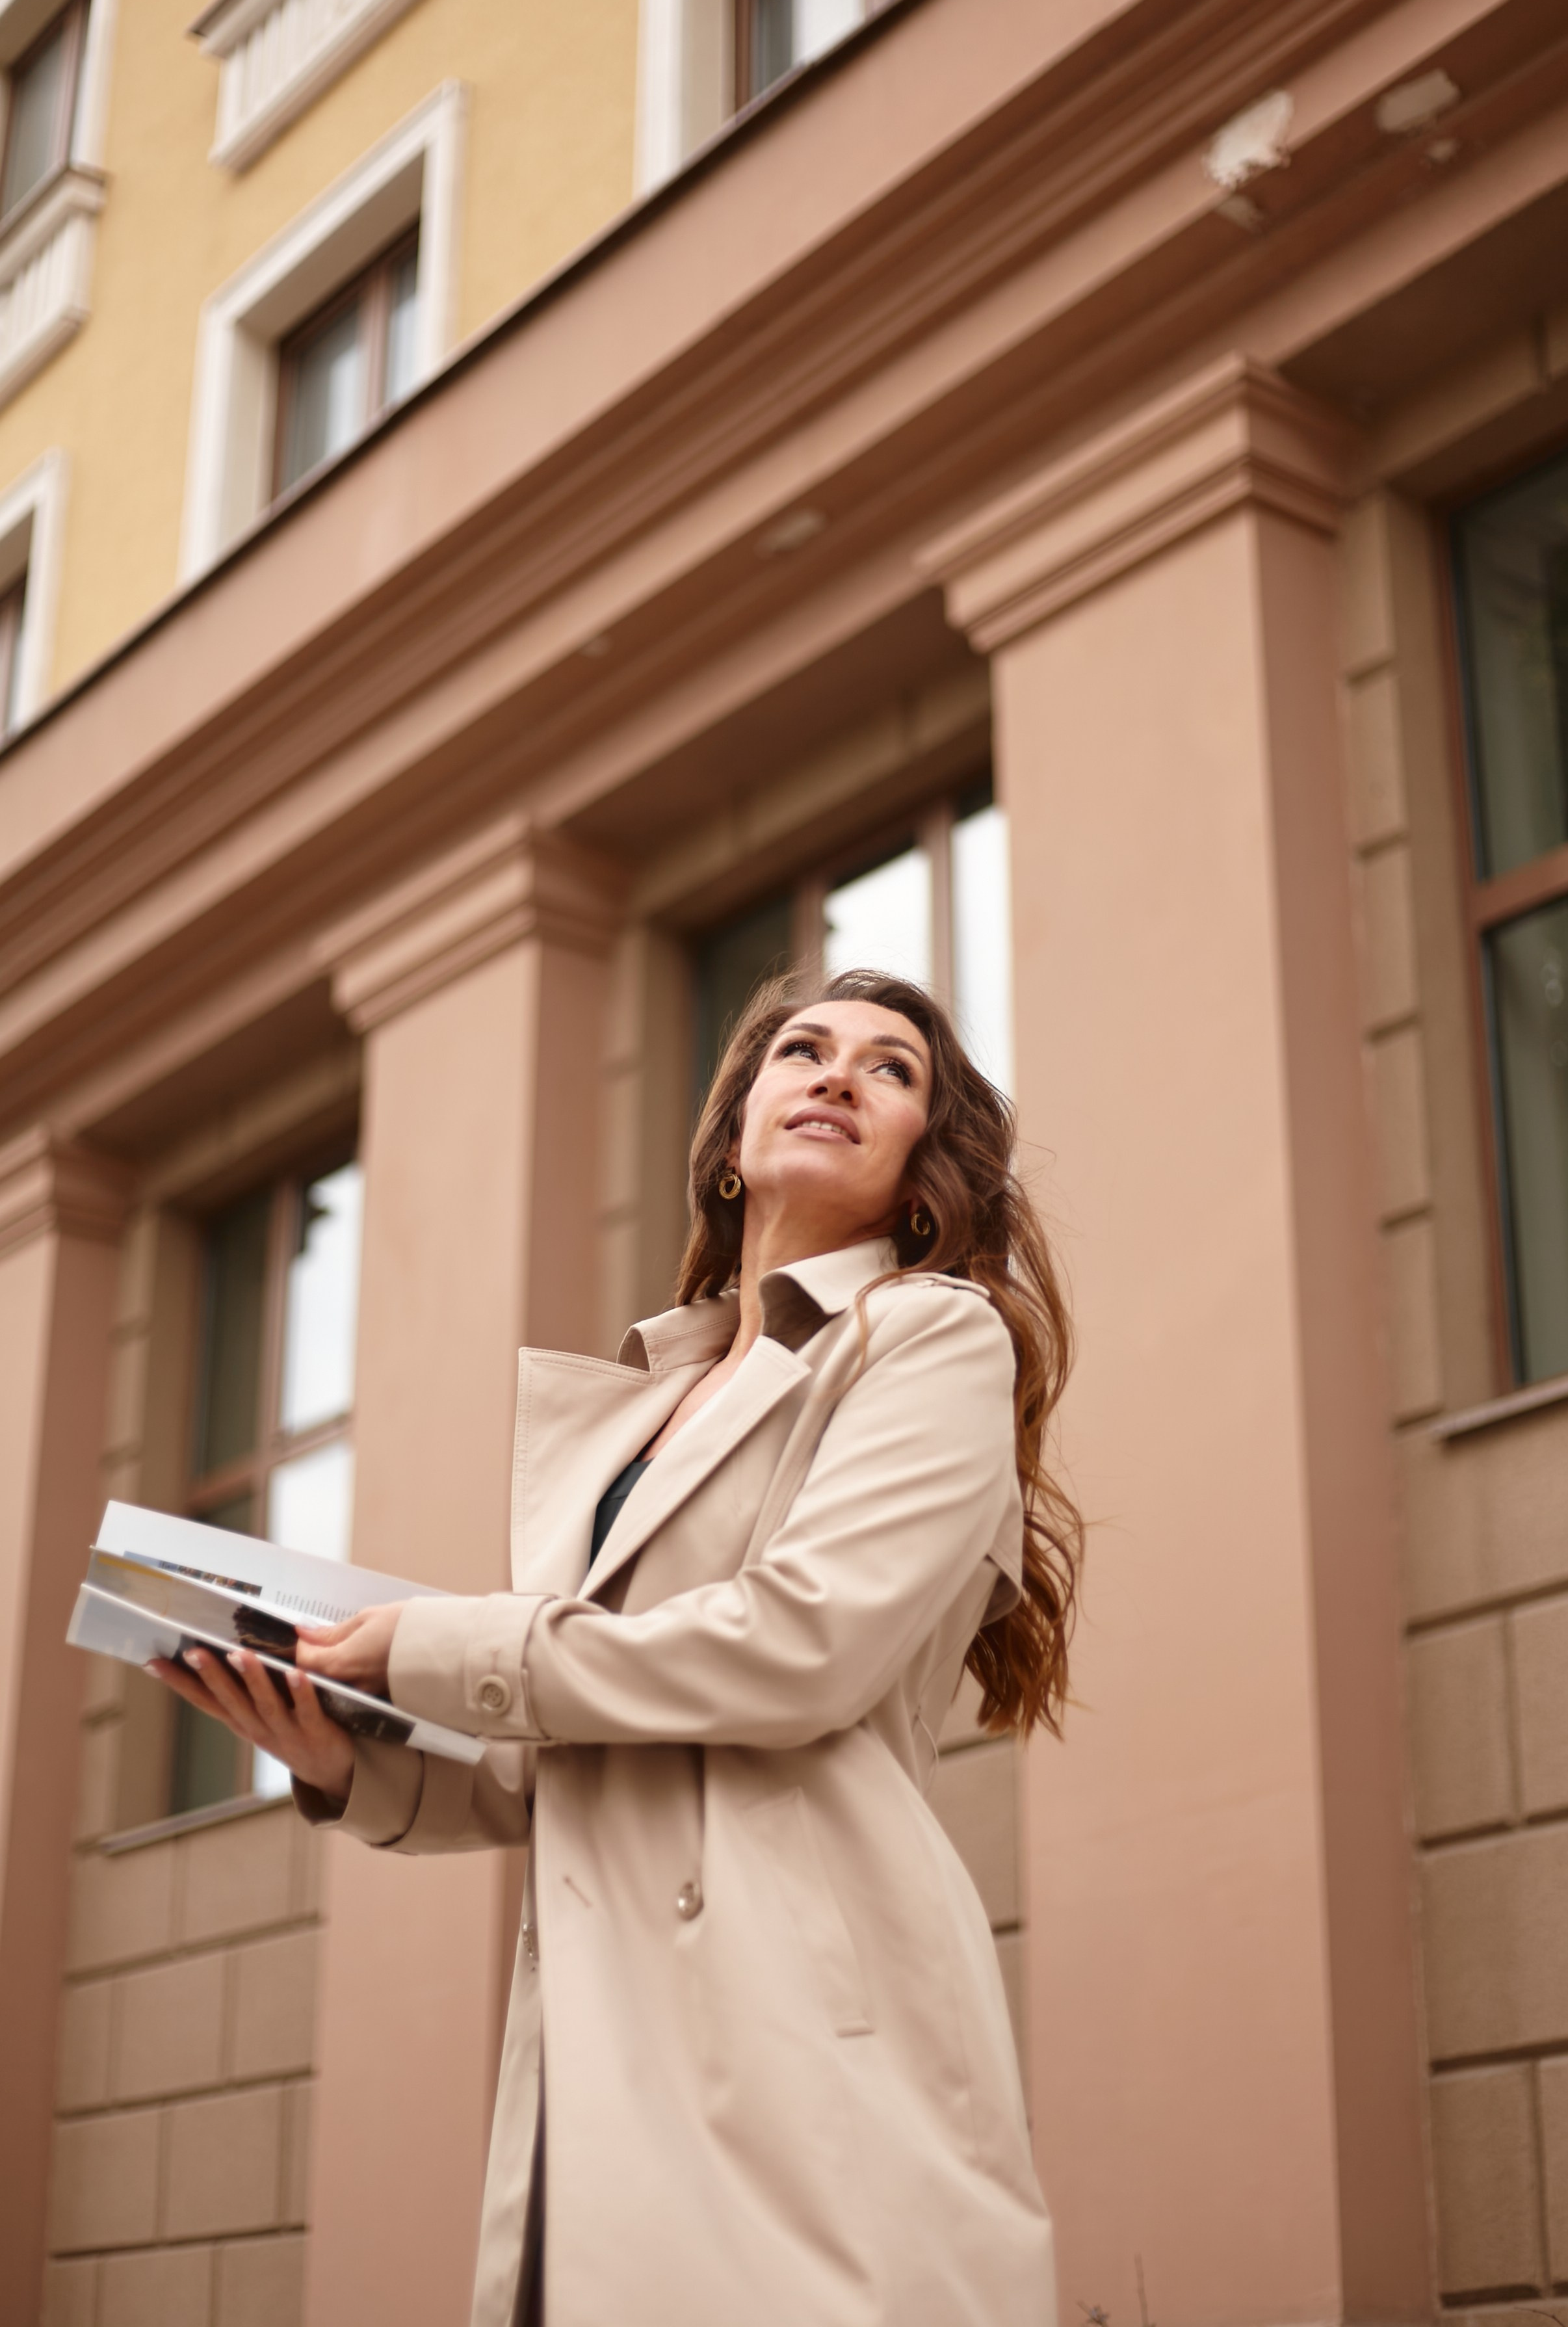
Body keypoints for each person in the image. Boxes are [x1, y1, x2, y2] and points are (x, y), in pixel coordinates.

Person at [154, 966, 1081, 2327]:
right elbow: (571, 1750)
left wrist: (439, 1643)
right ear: (731, 1140)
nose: (838, 1073)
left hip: (791, 2018)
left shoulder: (931, 1336)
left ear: (922, 1177)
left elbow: (802, 1646)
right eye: (803, 1050)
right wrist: (348, 1758)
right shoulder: (646, 1406)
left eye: (891, 1070)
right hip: (594, 2041)